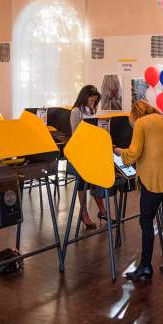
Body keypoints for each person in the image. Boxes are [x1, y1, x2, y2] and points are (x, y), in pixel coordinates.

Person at [115, 100, 163, 281]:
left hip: (153, 179)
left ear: (136, 114)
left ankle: (145, 266)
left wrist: (119, 151)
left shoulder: (141, 123)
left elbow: (133, 154)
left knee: (146, 221)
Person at [68, 85, 111, 230]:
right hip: (80, 153)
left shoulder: (92, 110)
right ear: (84, 97)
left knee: (97, 180)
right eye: (91, 99)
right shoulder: (76, 111)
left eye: (95, 100)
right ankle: (84, 213)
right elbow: (76, 136)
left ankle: (102, 210)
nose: (93, 102)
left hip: (93, 151)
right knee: (81, 183)